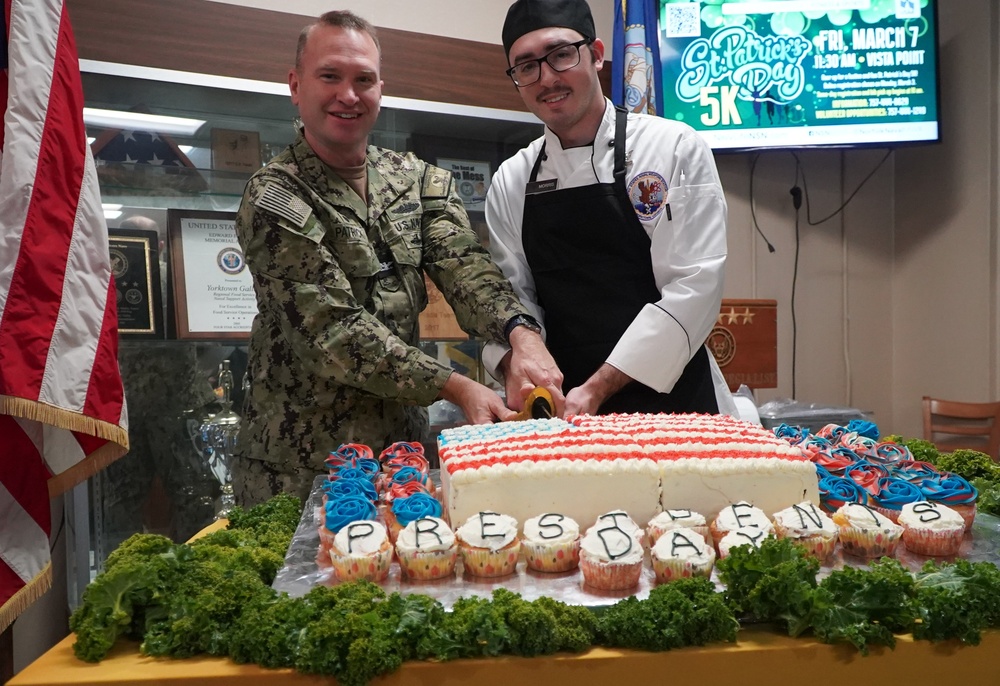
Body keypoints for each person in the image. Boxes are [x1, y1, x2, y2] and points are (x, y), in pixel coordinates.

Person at [232, 10, 561, 507]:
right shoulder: (275, 195)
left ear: (380, 89)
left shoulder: (420, 180)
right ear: (296, 86)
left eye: (363, 79)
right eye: (330, 76)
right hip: (301, 472)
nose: (348, 94)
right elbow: (332, 331)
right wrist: (456, 386)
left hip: (401, 460)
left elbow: (466, 267)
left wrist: (521, 335)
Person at [484, 0, 737, 418]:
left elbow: (695, 287)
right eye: (526, 66)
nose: (547, 78)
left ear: (597, 54)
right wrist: (517, 366)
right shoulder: (512, 181)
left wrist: (599, 387)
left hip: (676, 404)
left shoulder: (671, 148)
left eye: (561, 54)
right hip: (563, 409)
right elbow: (512, 300)